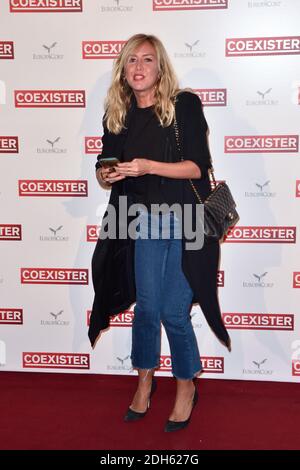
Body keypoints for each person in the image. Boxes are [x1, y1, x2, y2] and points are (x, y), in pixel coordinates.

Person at [88, 33, 231, 433]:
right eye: (131, 60)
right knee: (147, 308)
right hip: (145, 222)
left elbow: (196, 168)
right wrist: (107, 172)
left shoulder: (183, 105)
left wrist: (148, 166)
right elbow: (105, 166)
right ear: (123, 69)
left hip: (188, 222)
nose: (138, 68)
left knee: (173, 310)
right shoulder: (117, 113)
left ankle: (186, 385)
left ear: (160, 67)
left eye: (147, 60)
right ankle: (145, 379)